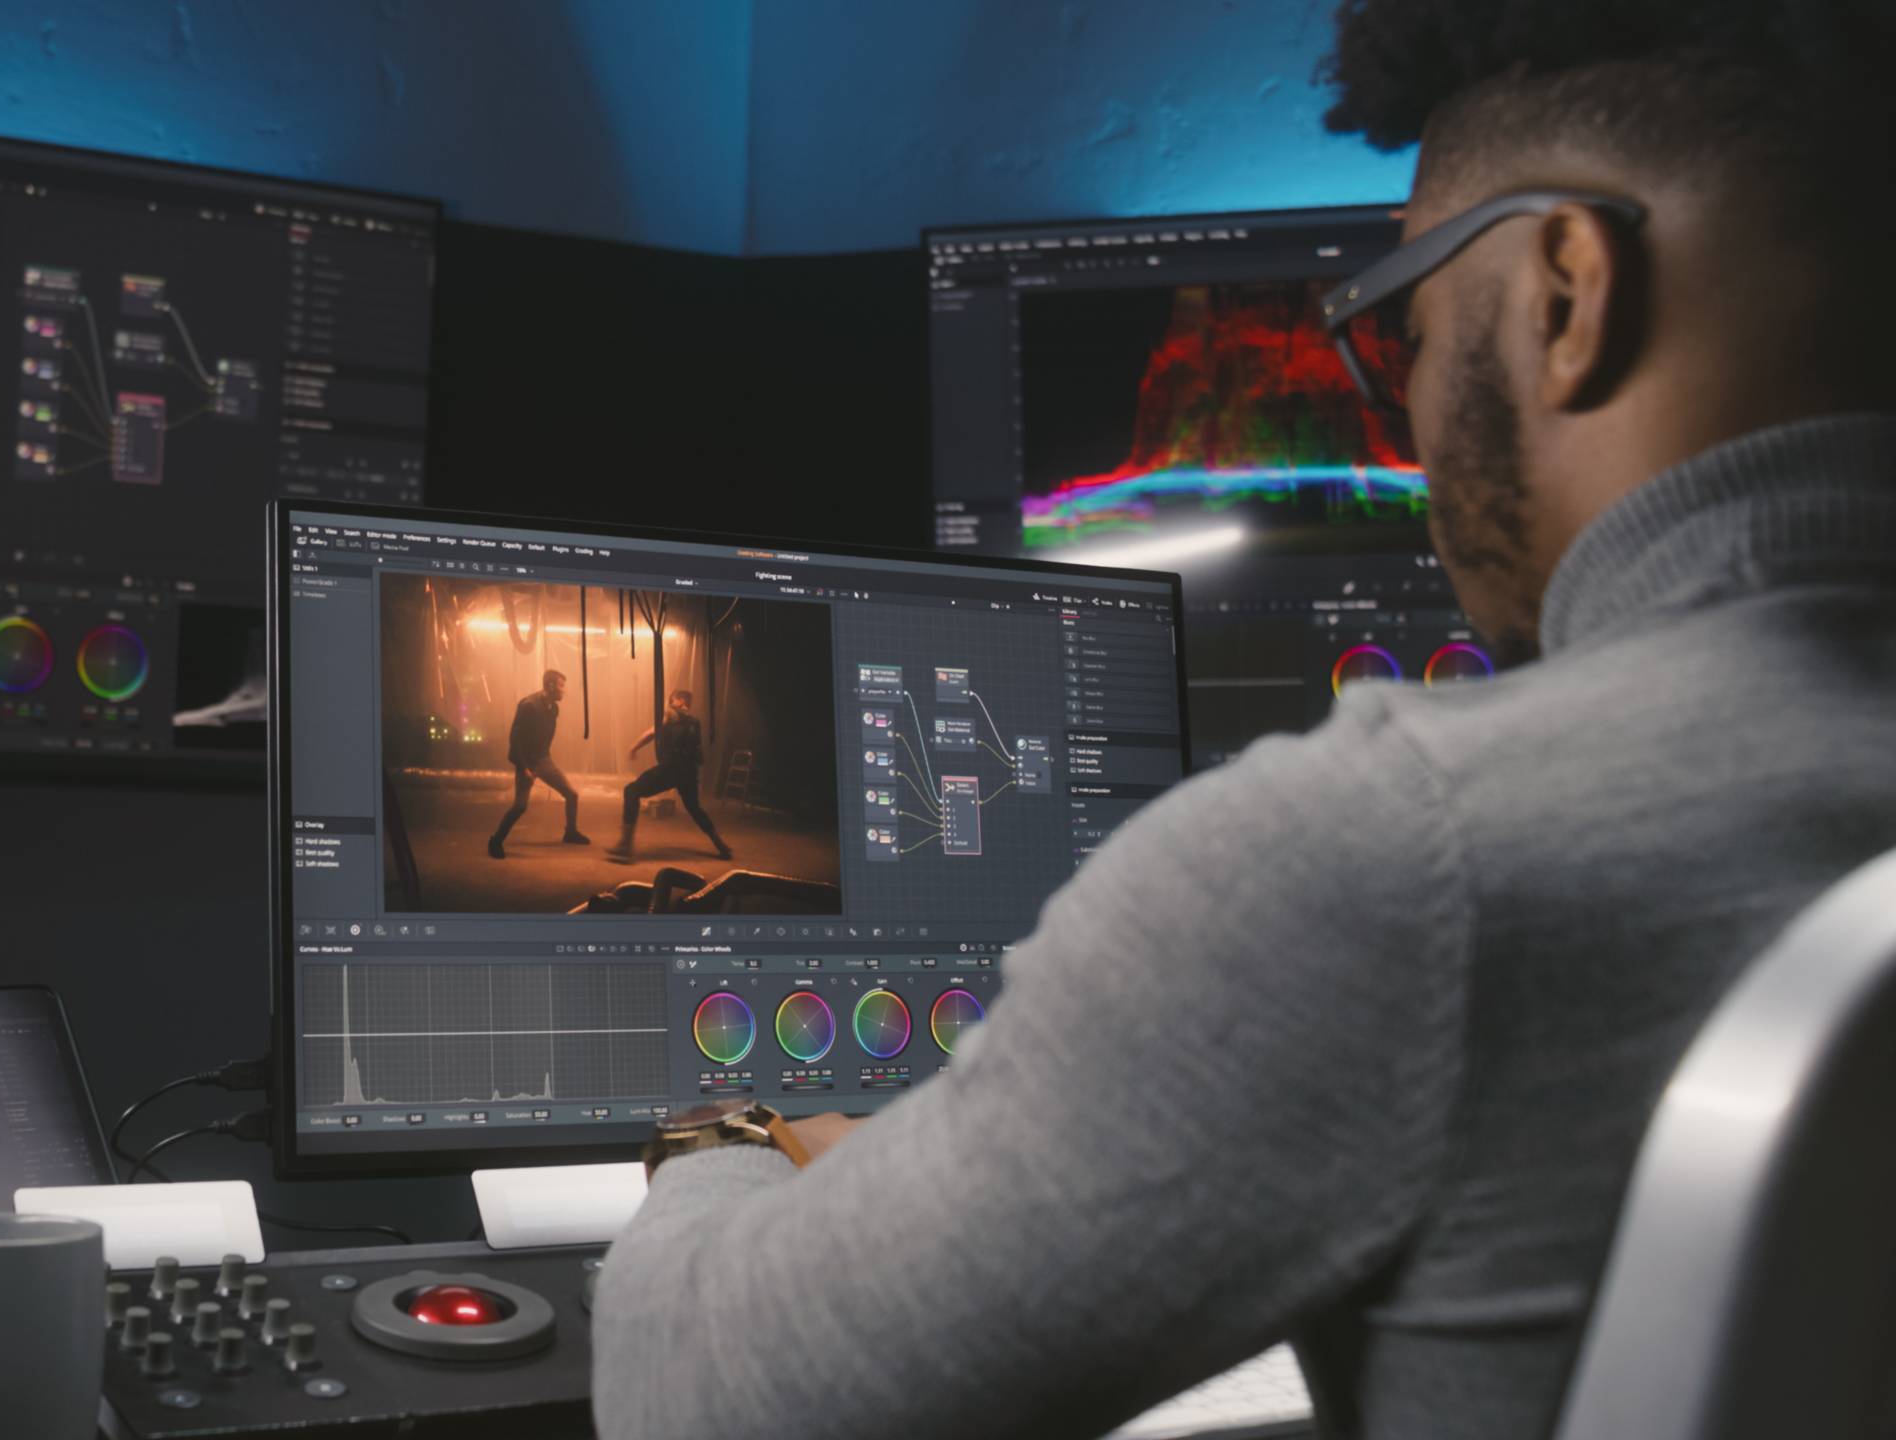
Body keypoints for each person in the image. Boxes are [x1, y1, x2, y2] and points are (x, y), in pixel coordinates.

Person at [591, 3, 1896, 1438]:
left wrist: (723, 1142)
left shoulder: (1398, 855)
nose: (1399, 390)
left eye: (1402, 326)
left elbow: (704, 1399)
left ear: (1563, 292)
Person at [609, 688, 730, 861]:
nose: (669, 703)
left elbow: (651, 733)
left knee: (631, 791)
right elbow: (697, 753)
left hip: (671, 770)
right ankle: (721, 845)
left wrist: (634, 748)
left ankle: (625, 845)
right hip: (688, 771)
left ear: (680, 701)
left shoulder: (670, 715)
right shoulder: (695, 722)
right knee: (694, 808)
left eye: (672, 700)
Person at [487, 668, 589, 858]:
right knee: (520, 806)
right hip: (526, 761)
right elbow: (515, 739)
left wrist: (544, 760)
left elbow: (545, 737)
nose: (563, 690)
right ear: (550, 686)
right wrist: (524, 766)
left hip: (543, 759)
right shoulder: (529, 706)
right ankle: (495, 841)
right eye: (561, 686)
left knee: (571, 795)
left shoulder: (554, 708)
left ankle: (571, 833)